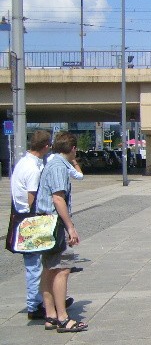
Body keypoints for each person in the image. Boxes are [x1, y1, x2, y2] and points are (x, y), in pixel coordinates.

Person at [35, 132, 87, 332]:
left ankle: (50, 316)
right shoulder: (58, 167)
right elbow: (58, 199)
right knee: (62, 269)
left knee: (48, 269)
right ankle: (63, 318)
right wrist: (70, 227)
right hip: (54, 224)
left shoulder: (52, 163)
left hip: (45, 222)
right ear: (73, 149)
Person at [10, 130, 51, 319]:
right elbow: (32, 197)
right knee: (34, 265)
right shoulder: (33, 169)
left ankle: (42, 299)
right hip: (29, 219)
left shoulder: (22, 163)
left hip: (20, 216)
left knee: (34, 265)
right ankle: (34, 306)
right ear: (45, 147)